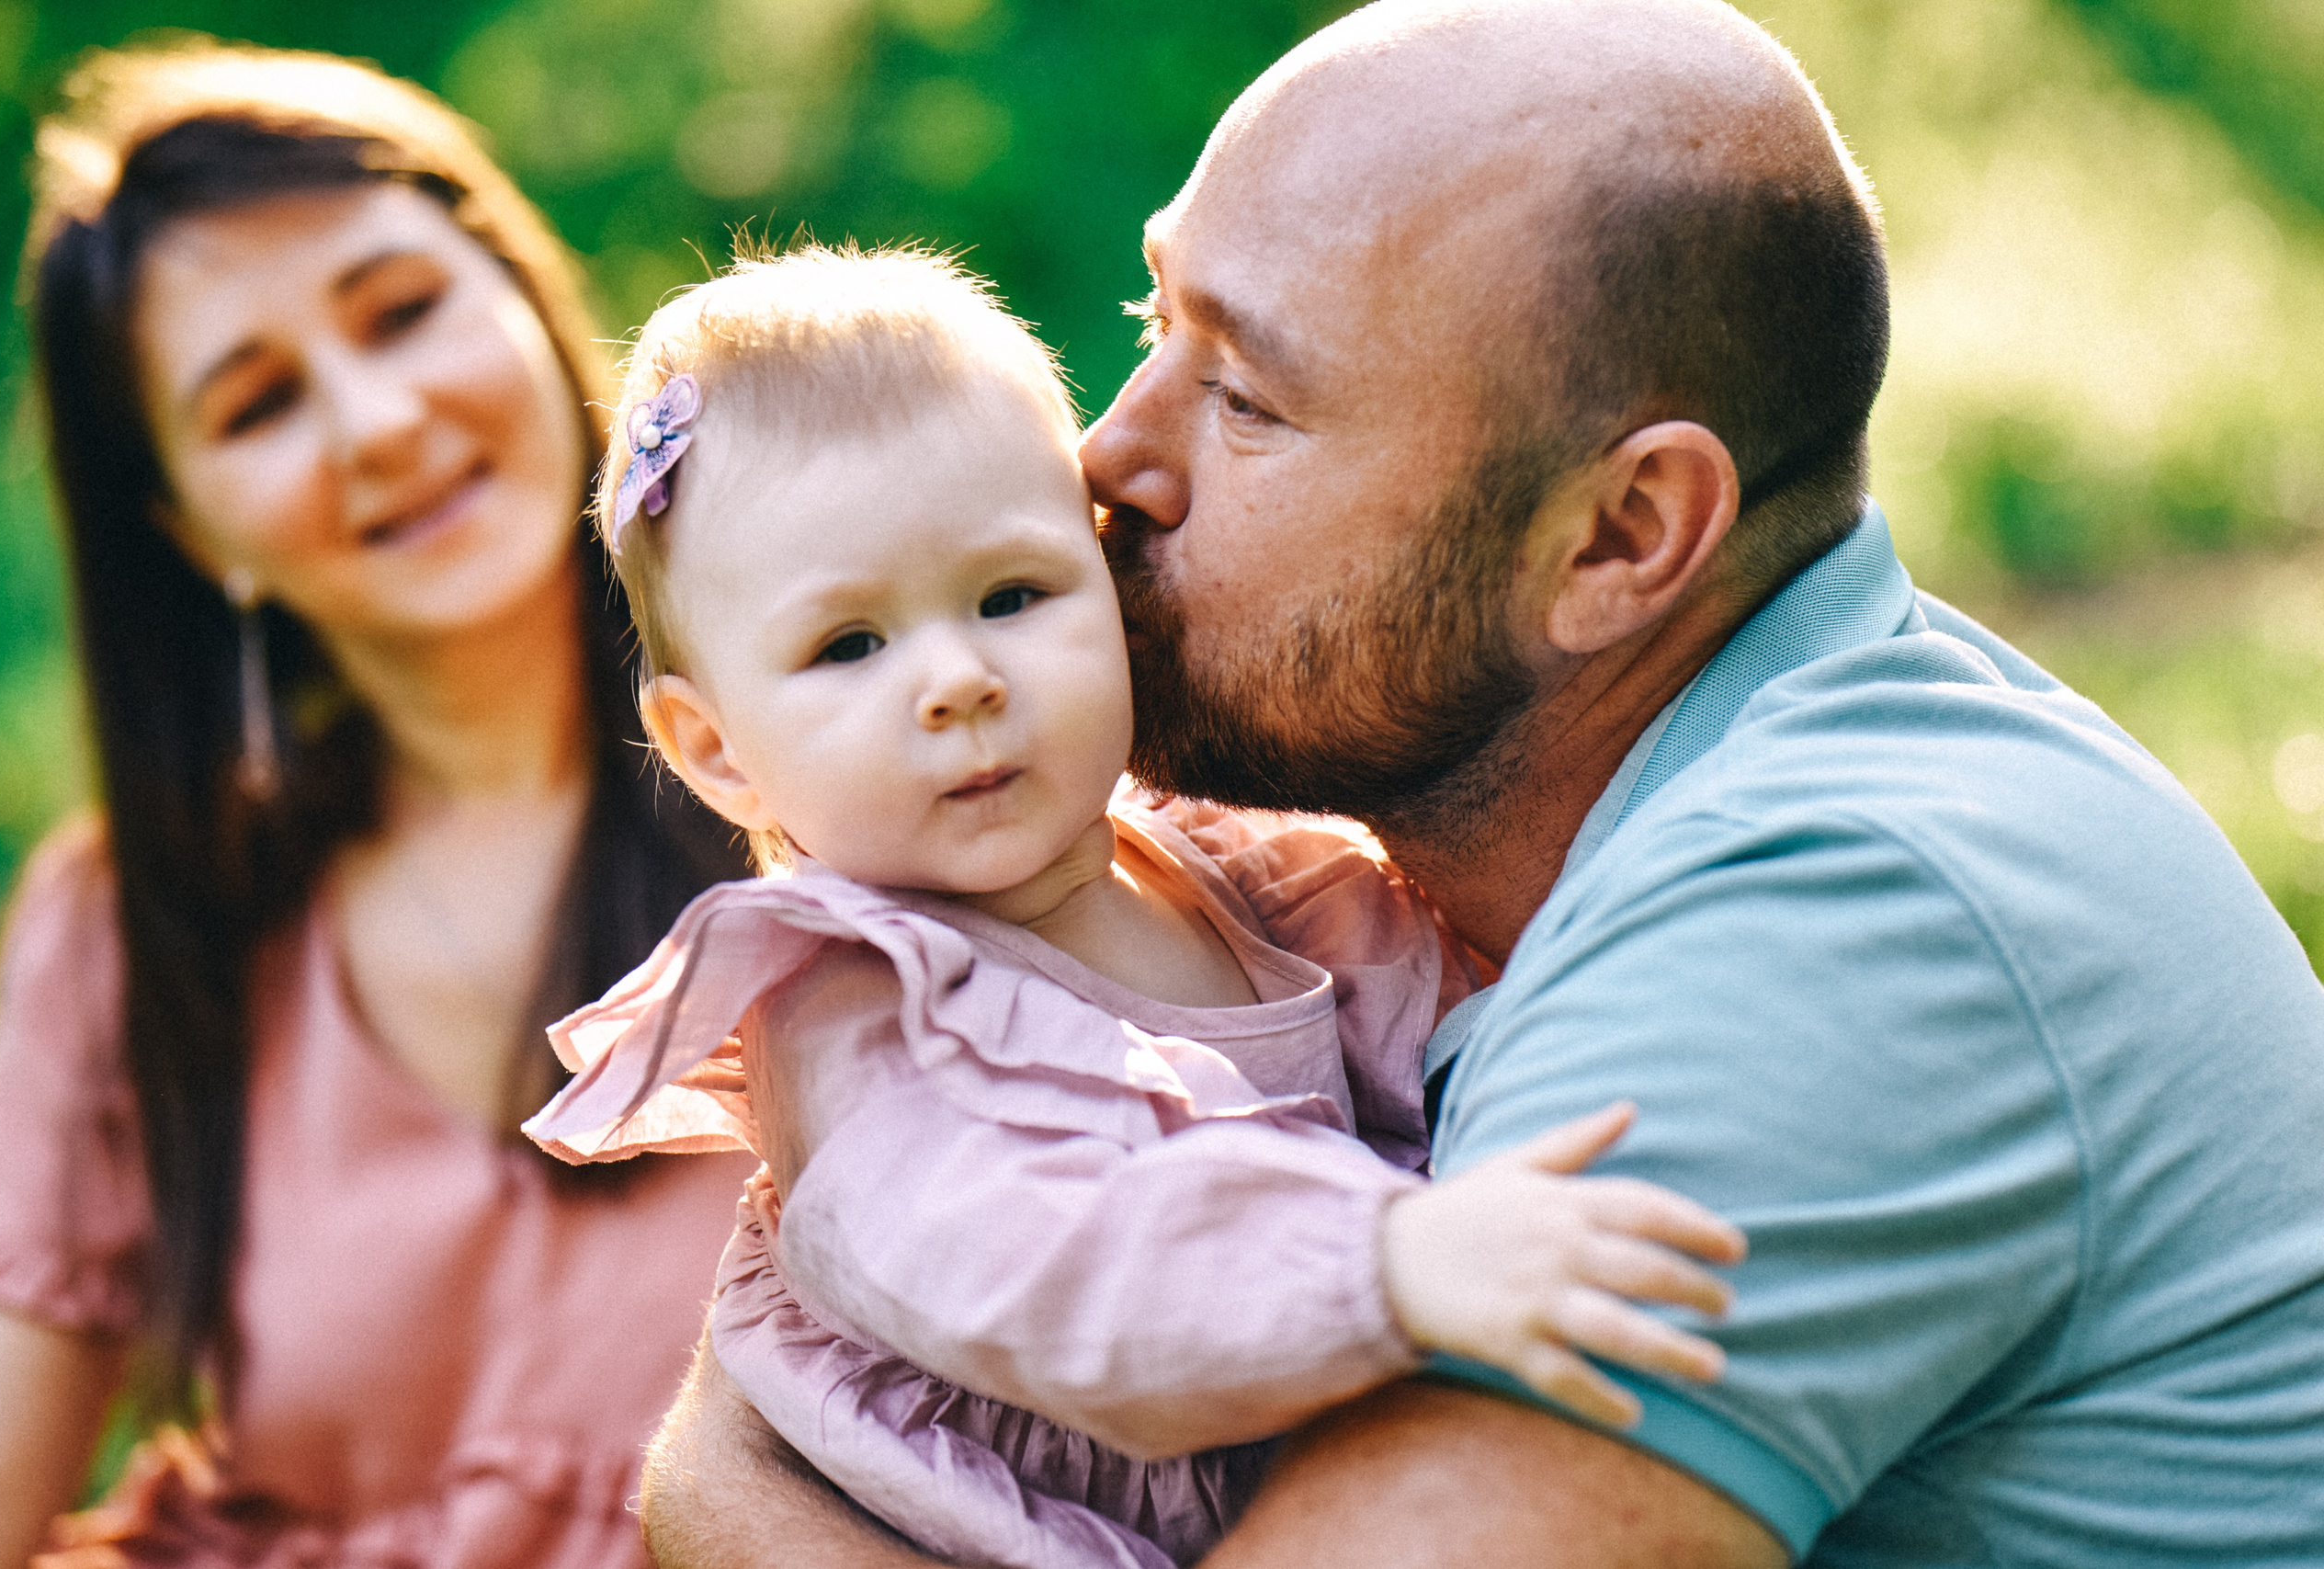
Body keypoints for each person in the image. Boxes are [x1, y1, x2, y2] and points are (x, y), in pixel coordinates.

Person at [638, 1, 2324, 1564]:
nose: (1110, 458)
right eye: (1156, 324)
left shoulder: (1828, 927)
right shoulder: (1632, 817)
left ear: (1619, 537)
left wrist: (732, 1503)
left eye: (1247, 398)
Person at [520, 244, 1745, 1569]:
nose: (958, 680)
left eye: (1011, 596)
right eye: (849, 645)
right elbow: (1047, 1266)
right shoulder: (860, 1015)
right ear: (716, 750)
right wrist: (1388, 1264)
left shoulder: (1239, 876)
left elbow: (1447, 1017)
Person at [0, 43, 753, 1567]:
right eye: (258, 405)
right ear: (189, 529)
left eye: (402, 312)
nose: (378, 420)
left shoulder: (875, 761)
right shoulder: (144, 928)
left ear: (522, 293)